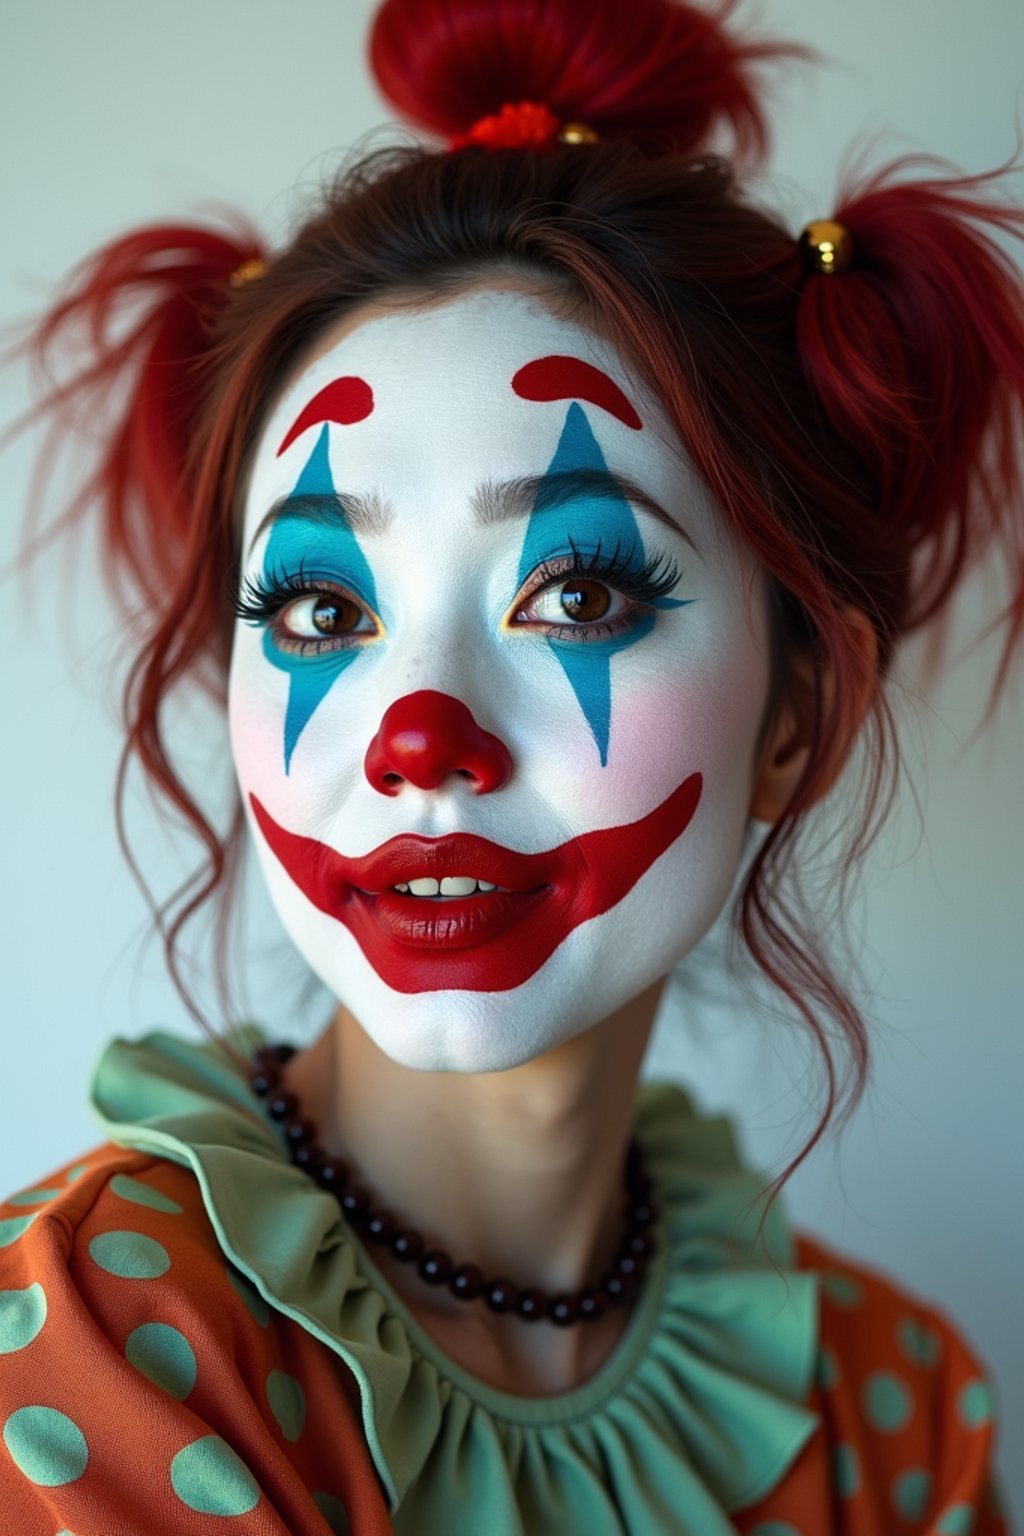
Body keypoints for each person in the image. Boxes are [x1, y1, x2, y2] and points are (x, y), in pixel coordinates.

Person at [1, 0, 1020, 1529]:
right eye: (322, 606)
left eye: (581, 591)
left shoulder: (895, 1412)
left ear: (799, 718)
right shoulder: (89, 1352)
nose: (422, 743)